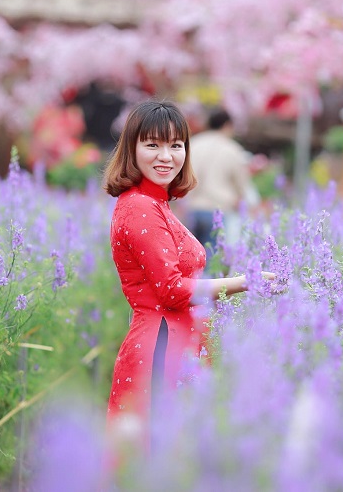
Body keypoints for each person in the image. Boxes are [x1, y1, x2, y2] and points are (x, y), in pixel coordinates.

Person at [102, 100, 273, 447]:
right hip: (161, 345)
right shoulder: (140, 207)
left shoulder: (156, 203)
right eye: (153, 145)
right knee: (157, 457)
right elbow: (172, 290)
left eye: (176, 145)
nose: (166, 156)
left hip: (175, 340)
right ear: (131, 149)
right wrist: (246, 282)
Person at [182, 108, 263, 252]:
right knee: (212, 256)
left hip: (192, 208)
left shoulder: (194, 144)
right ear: (227, 125)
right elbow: (242, 184)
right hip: (218, 209)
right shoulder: (232, 149)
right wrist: (248, 204)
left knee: (190, 254)